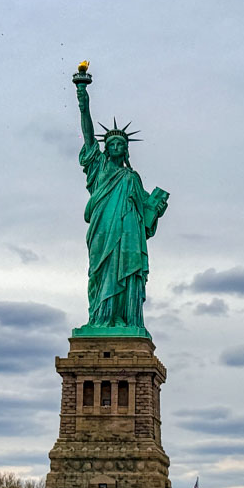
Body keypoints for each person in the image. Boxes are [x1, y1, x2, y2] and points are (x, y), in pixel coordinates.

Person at [74, 71, 169, 329]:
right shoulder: (98, 166)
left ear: (126, 150)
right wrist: (83, 99)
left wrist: (157, 208)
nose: (116, 147)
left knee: (124, 273)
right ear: (106, 148)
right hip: (103, 230)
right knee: (101, 271)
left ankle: (124, 319)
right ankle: (101, 318)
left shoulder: (132, 177)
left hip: (128, 234)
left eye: (121, 144)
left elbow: (145, 213)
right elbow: (88, 133)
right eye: (112, 143)